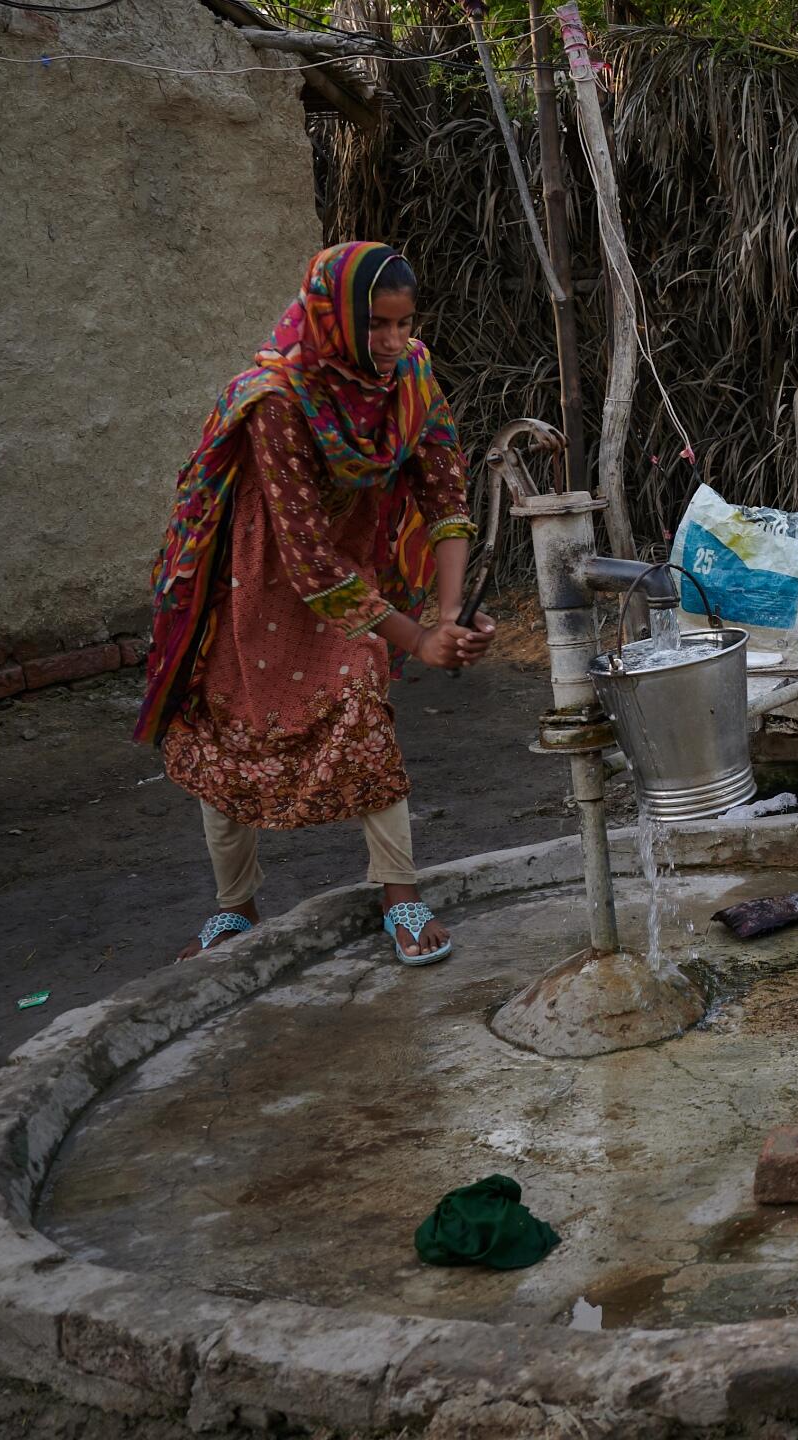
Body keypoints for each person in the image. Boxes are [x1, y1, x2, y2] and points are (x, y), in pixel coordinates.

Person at [134, 242, 493, 963]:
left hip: (352, 562)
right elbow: (304, 555)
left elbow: (444, 492)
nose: (394, 342)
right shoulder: (279, 399)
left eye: (404, 324)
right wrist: (415, 638)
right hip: (258, 571)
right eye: (379, 327)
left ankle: (398, 892)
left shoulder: (410, 377)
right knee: (226, 727)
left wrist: (447, 616)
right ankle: (235, 909)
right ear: (335, 319)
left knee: (360, 698)